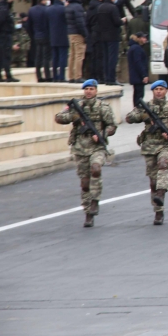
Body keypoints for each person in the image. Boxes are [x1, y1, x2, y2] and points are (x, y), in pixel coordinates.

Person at [53, 79, 117, 227]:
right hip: (80, 148)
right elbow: (59, 117)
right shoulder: (76, 106)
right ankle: (88, 212)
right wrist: (74, 116)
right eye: (86, 89)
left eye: (92, 89)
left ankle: (95, 200)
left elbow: (112, 126)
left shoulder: (103, 107)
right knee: (84, 183)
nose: (89, 91)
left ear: (96, 91)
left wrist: (102, 134)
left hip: (97, 147)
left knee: (96, 168)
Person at [125, 80, 168, 225]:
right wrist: (145, 116)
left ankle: (161, 193)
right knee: (153, 180)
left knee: (163, 163)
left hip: (167, 145)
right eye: (156, 89)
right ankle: (158, 211)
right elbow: (129, 118)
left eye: (161, 89)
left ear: (166, 91)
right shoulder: (145, 106)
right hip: (149, 145)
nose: (159, 91)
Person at [95, 0, 123, 85]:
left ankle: (106, 77)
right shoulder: (113, 8)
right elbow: (116, 22)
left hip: (102, 35)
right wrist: (122, 21)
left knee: (106, 58)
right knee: (112, 58)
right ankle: (111, 79)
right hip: (113, 35)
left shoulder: (100, 7)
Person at [0, 0, 18, 82]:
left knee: (1, 56)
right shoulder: (4, 10)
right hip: (4, 35)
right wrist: (1, 31)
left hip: (3, 35)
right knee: (6, 56)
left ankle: (0, 76)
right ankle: (8, 76)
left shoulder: (1, 9)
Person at [26, 0, 52, 82]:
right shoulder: (47, 10)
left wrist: (32, 35)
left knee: (38, 56)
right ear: (43, 0)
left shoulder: (32, 10)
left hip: (36, 36)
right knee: (46, 57)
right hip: (46, 35)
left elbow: (29, 25)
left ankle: (39, 76)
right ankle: (48, 76)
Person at [65, 0, 88, 82]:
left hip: (70, 33)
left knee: (72, 55)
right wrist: (85, 34)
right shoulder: (78, 7)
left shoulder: (68, 6)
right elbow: (80, 23)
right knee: (79, 55)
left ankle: (71, 76)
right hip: (78, 33)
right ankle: (78, 76)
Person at [48, 0, 69, 82]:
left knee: (54, 58)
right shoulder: (63, 9)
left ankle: (54, 76)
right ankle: (61, 76)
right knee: (63, 57)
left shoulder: (49, 9)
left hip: (53, 36)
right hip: (63, 35)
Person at [128, 31, 149, 107]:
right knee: (139, 96)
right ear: (138, 39)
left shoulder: (133, 47)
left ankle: (136, 110)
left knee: (136, 94)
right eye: (143, 37)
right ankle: (138, 112)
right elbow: (138, 62)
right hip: (138, 76)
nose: (145, 39)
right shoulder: (137, 48)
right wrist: (144, 75)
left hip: (135, 76)